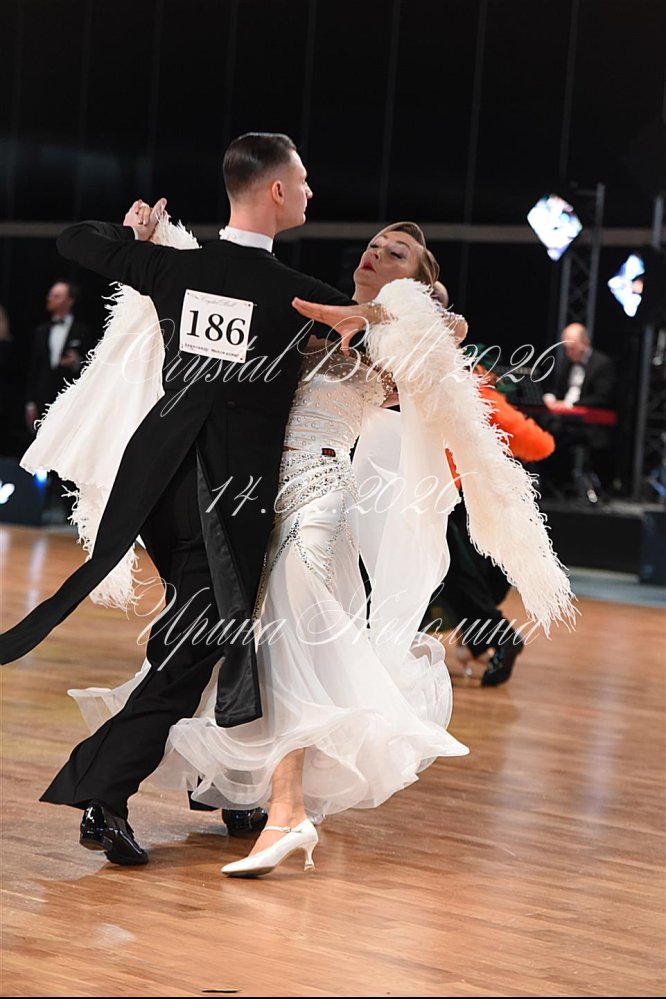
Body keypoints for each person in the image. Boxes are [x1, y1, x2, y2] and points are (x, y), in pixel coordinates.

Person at [70, 224, 575, 878]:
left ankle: (281, 808)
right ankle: (230, 793)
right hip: (247, 495)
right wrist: (156, 245)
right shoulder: (310, 307)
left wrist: (425, 322)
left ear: (419, 281)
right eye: (375, 244)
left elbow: (438, 348)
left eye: (397, 253)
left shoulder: (404, 334)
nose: (377, 252)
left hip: (318, 492)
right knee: (226, 645)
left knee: (289, 636)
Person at [0, 132, 379, 864]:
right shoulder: (297, 295)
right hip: (225, 500)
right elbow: (411, 354)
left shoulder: (179, 268)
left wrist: (132, 232)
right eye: (303, 180)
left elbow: (75, 239)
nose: (309, 192)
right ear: (276, 190)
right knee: (194, 650)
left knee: (196, 639)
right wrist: (400, 320)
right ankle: (103, 793)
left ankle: (218, 787)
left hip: (158, 483)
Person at [439, 363, 556, 686]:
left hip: (454, 498)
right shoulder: (475, 394)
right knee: (459, 576)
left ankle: (495, 637)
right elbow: (539, 445)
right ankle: (482, 639)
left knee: (457, 575)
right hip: (457, 496)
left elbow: (540, 444)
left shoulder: (475, 395)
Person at [25, 282, 92, 431]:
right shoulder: (41, 331)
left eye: (57, 296)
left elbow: (90, 365)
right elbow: (34, 368)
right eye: (51, 295)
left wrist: (76, 362)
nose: (50, 298)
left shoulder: (82, 330)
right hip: (43, 398)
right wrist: (30, 402)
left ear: (70, 300)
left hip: (69, 397)